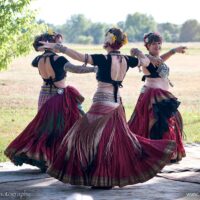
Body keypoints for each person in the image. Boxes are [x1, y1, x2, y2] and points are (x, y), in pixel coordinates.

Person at [39, 28, 175, 188]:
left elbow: (79, 56)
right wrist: (138, 53)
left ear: (110, 41)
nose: (104, 39)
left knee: (83, 137)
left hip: (101, 103)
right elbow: (145, 62)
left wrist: (60, 47)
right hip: (116, 104)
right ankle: (104, 177)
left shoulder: (102, 58)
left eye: (105, 37)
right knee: (110, 141)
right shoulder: (126, 60)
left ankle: (98, 175)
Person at [4, 30, 96, 172]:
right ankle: (61, 160)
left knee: (45, 129)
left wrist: (45, 48)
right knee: (65, 127)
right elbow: (75, 69)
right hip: (58, 97)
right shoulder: (59, 60)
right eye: (58, 43)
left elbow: (36, 55)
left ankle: (47, 160)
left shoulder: (38, 60)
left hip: (44, 96)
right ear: (51, 43)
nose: (60, 45)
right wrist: (93, 69)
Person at [128, 32, 186, 162]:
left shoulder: (157, 59)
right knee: (156, 125)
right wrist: (145, 55)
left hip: (163, 97)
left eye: (159, 43)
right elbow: (134, 51)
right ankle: (156, 153)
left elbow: (160, 60)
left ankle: (166, 153)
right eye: (153, 43)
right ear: (147, 46)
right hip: (153, 98)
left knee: (167, 124)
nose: (157, 45)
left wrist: (173, 51)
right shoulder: (146, 60)